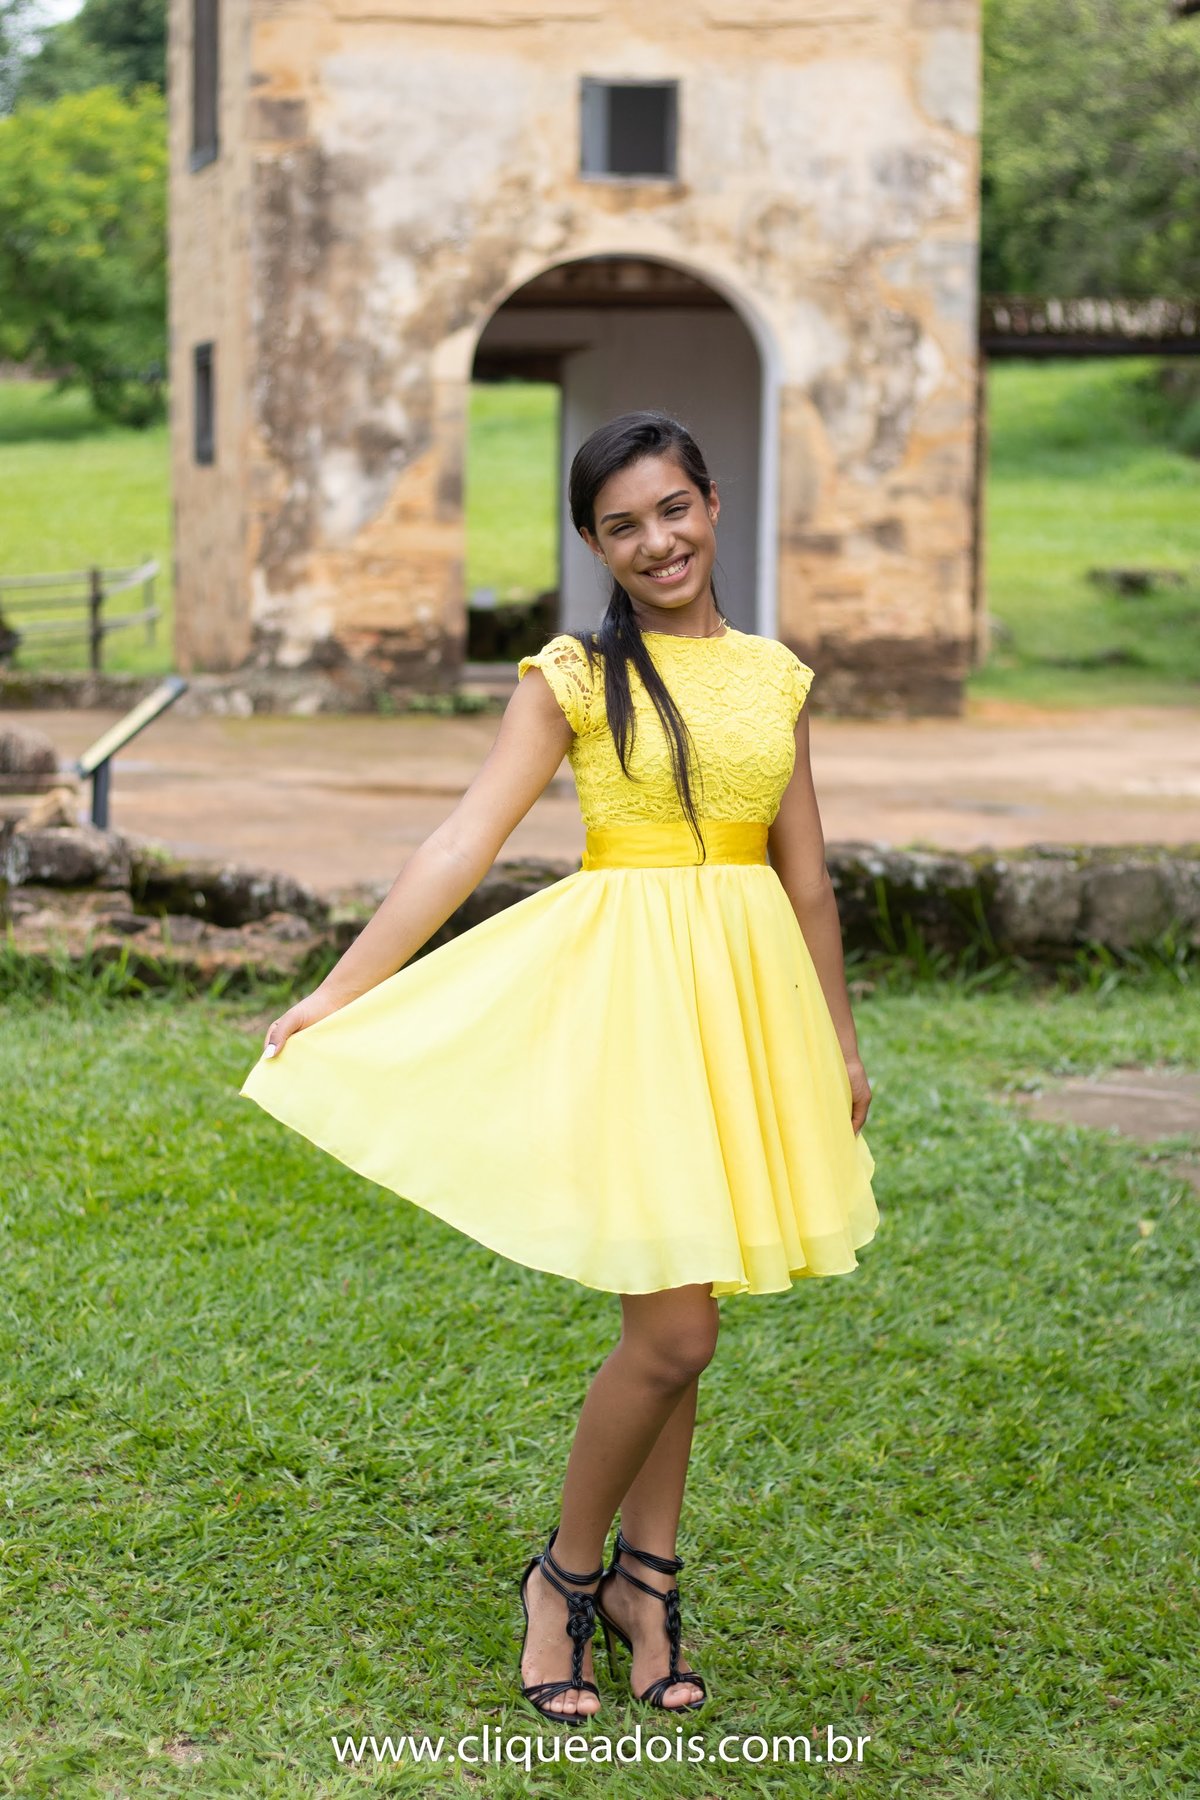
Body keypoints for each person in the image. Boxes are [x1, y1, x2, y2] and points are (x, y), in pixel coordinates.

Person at [239, 408, 879, 1727]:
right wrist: (336, 989)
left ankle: (651, 1582)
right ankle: (566, 1576)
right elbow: (460, 844)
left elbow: (806, 882)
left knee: (681, 1324)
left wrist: (838, 1041)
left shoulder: (776, 679)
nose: (657, 541)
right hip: (634, 1008)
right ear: (595, 543)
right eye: (622, 525)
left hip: (746, 1013)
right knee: (677, 1326)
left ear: (714, 504)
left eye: (674, 509)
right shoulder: (577, 677)